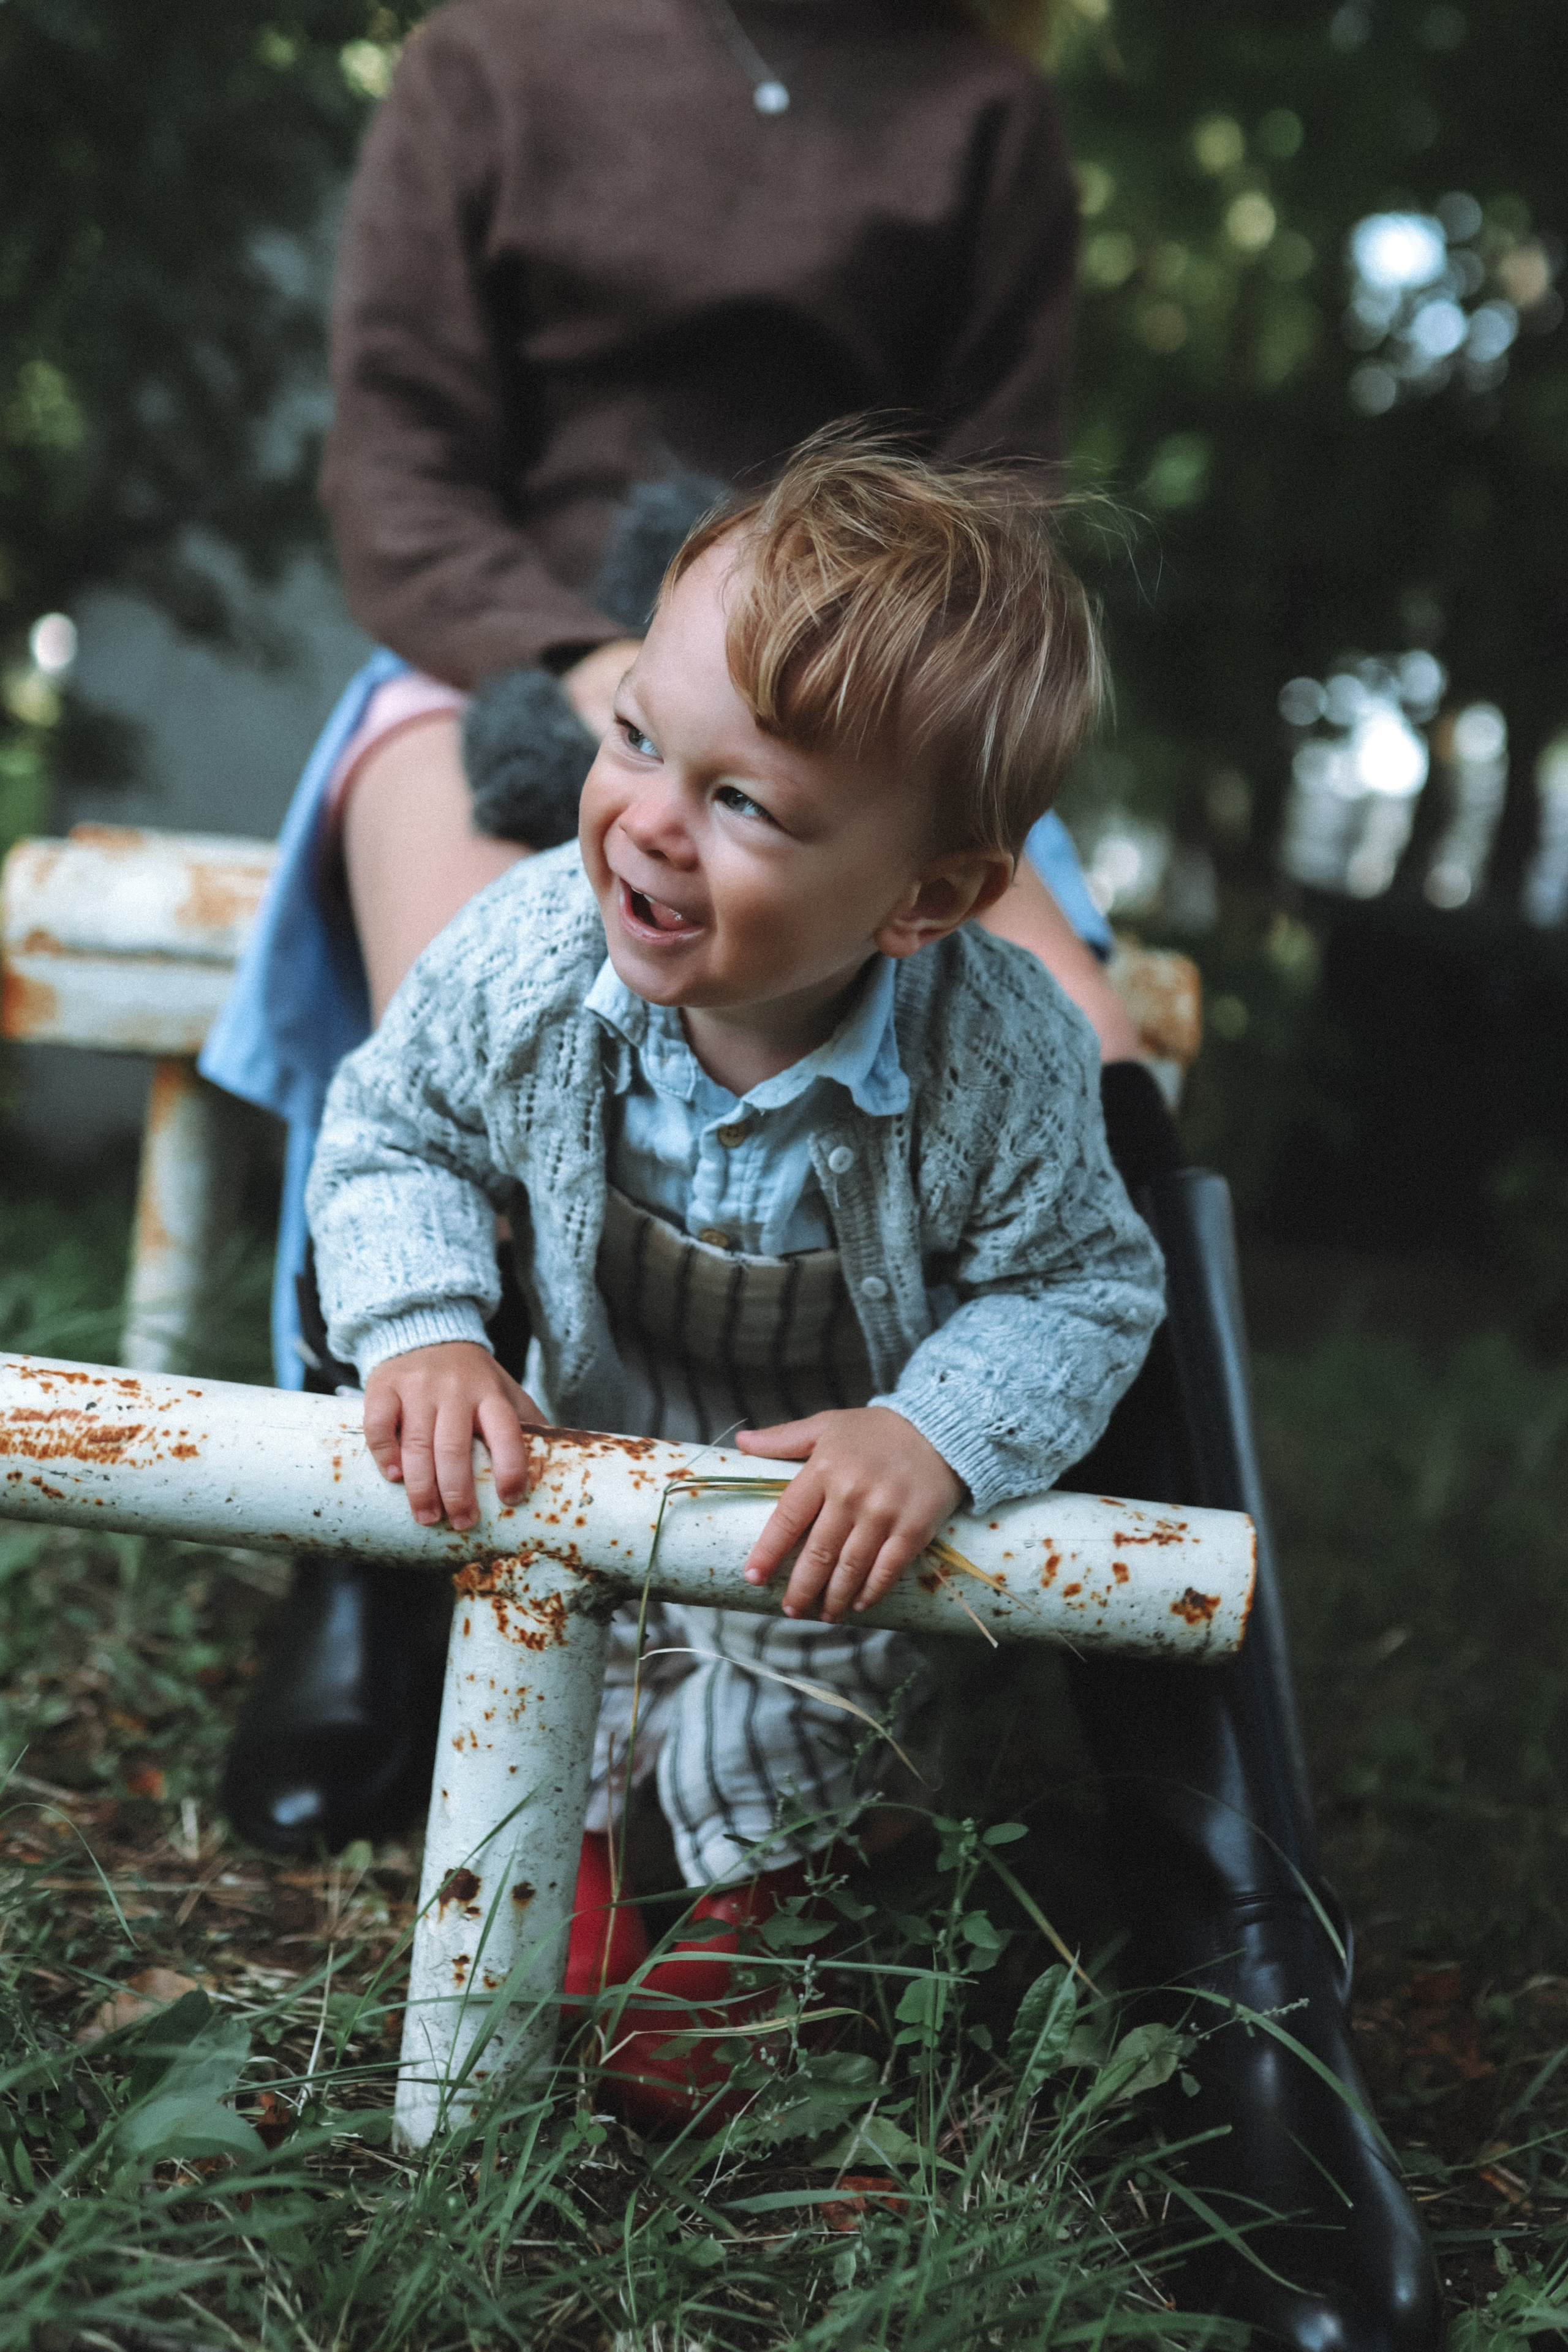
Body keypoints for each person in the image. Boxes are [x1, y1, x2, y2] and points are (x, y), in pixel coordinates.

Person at [202, 6, 1441, 2340]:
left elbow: (1004, 507)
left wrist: (798, 743)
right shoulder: (492, 55)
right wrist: (621, 706)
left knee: (1092, 1078)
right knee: (486, 996)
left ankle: (1239, 1945)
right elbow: (399, 470)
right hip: (541, 665)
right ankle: (379, 1558)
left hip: (869, 724)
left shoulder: (977, 106)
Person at [304, 431, 1166, 2122]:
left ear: (929, 898)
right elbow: (393, 1131)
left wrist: (931, 1435)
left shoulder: (1002, 1060)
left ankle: (749, 1947)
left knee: (817, 1709)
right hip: (598, 1434)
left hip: (820, 1498)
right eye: (636, 738)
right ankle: (590, 1889)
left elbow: (1085, 1285)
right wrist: (425, 1331)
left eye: (744, 803)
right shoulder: (532, 952)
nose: (647, 823)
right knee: (580, 1683)